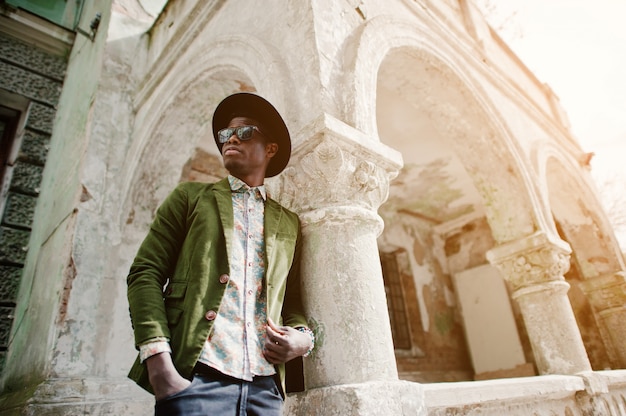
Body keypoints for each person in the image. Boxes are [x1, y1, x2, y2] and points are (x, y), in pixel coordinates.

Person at [127, 93, 314, 415]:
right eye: (225, 134)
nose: (231, 139)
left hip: (266, 386)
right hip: (197, 378)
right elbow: (145, 273)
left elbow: (293, 300)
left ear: (270, 148)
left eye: (244, 132)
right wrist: (158, 362)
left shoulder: (289, 222)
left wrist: (303, 340)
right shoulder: (189, 198)